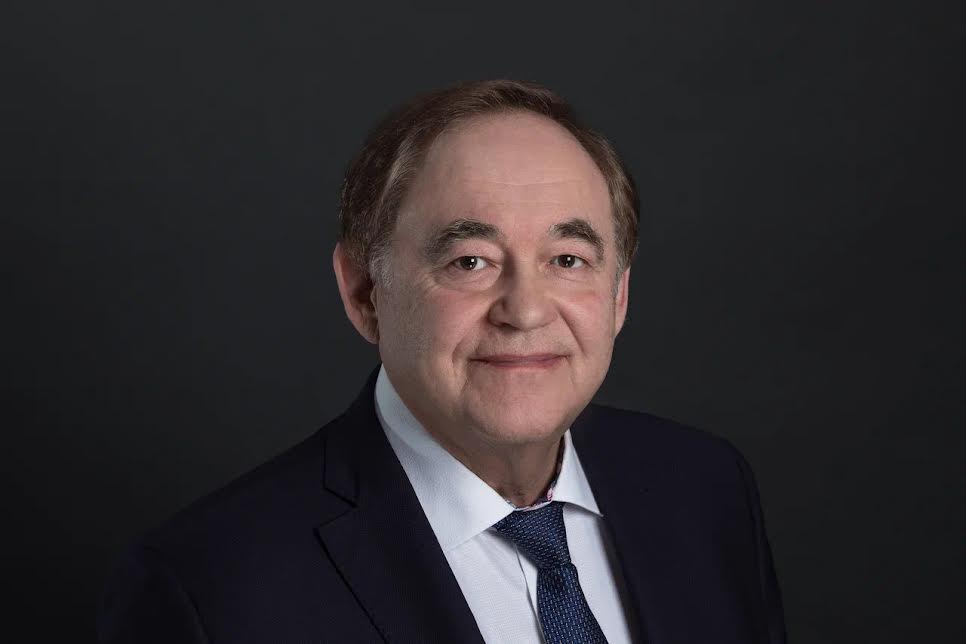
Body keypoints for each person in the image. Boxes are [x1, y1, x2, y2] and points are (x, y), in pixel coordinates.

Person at [98, 79, 786, 644]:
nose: (525, 310)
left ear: (618, 295)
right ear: (365, 293)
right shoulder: (209, 588)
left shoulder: (705, 491)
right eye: (470, 262)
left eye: (567, 260)